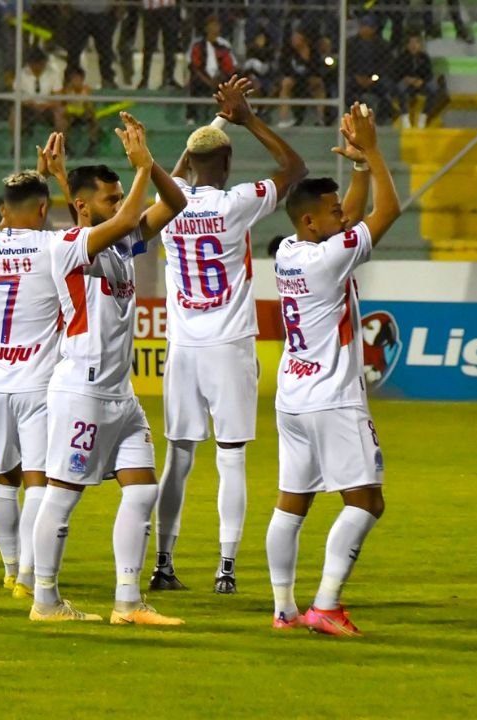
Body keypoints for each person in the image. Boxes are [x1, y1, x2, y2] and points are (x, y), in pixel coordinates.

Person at [150, 76, 307, 594]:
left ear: (190, 165)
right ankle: (225, 566)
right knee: (231, 455)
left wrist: (213, 124)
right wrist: (245, 118)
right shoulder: (238, 201)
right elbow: (295, 169)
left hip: (184, 348)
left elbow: (170, 180)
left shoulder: (167, 210)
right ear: (230, 163)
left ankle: (164, 562)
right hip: (230, 342)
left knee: (179, 455)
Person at [28, 113, 187, 623]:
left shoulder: (117, 245)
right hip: (82, 390)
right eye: (110, 196)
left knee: (142, 489)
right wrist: (138, 169)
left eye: (121, 196)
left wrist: (150, 165)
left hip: (120, 394)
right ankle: (45, 600)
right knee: (63, 494)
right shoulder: (67, 246)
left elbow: (176, 205)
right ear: (82, 206)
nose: (121, 206)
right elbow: (114, 223)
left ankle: (127, 602)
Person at [266, 102, 401, 635]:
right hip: (332, 398)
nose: (343, 216)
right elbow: (385, 214)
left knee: (291, 504)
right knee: (368, 501)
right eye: (333, 211)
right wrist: (372, 152)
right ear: (308, 221)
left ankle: (283, 608)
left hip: (292, 397)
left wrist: (358, 172)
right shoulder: (327, 258)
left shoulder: (289, 253)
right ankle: (325, 604)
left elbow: (346, 218)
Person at [0, 137, 66, 598]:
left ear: (4, 211)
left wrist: (34, 179)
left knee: (3, 479)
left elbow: (13, 217)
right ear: (44, 210)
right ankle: (28, 576)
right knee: (39, 481)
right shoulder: (53, 246)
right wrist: (48, 177)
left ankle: (9, 567)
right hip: (38, 384)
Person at [187, 15, 236, 124]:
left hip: (219, 77)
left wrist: (220, 77)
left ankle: (229, 116)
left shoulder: (224, 44)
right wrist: (208, 81)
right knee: (193, 83)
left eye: (217, 25)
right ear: (206, 28)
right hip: (203, 77)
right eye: (212, 25)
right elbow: (195, 66)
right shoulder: (198, 45)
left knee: (230, 84)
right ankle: (191, 117)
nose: (215, 28)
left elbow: (229, 66)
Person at [276, 29, 329, 129]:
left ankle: (320, 118)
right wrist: (293, 77)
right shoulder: (288, 51)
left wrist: (311, 77)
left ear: (304, 39)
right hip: (294, 79)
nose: (293, 40)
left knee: (319, 84)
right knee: (286, 83)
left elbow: (317, 69)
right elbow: (284, 68)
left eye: (297, 37)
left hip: (308, 79)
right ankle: (283, 119)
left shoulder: (313, 52)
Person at [390, 34, 444, 129]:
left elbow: (428, 74)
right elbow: (395, 74)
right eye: (411, 43)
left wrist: (421, 81)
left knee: (434, 90)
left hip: (419, 83)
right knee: (400, 88)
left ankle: (423, 117)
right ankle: (405, 118)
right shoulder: (401, 57)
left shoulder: (424, 57)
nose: (413, 45)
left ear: (420, 45)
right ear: (407, 45)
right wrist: (407, 79)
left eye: (416, 42)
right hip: (406, 82)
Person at [346, 15, 392, 121]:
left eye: (368, 27)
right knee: (346, 90)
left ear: (374, 29)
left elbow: (386, 65)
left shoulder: (382, 44)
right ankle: (362, 111)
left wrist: (373, 78)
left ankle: (380, 118)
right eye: (363, 26)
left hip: (375, 77)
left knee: (387, 90)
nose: (365, 29)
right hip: (355, 76)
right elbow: (347, 63)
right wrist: (356, 76)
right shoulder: (350, 43)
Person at [12, 46, 66, 135]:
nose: (37, 67)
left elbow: (58, 96)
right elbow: (16, 94)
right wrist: (30, 103)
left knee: (60, 112)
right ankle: (16, 144)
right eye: (34, 64)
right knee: (15, 111)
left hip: (48, 107)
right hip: (29, 106)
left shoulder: (53, 74)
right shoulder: (22, 74)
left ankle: (62, 143)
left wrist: (47, 104)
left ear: (44, 63)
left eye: (40, 63)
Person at [65, 0, 117, 89]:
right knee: (74, 51)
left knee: (105, 51)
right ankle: (71, 81)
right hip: (79, 13)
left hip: (102, 13)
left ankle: (108, 81)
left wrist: (117, 8)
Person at [137, 0, 181, 89]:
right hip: (151, 8)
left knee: (170, 44)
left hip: (168, 7)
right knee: (149, 45)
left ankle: (168, 78)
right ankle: (145, 79)